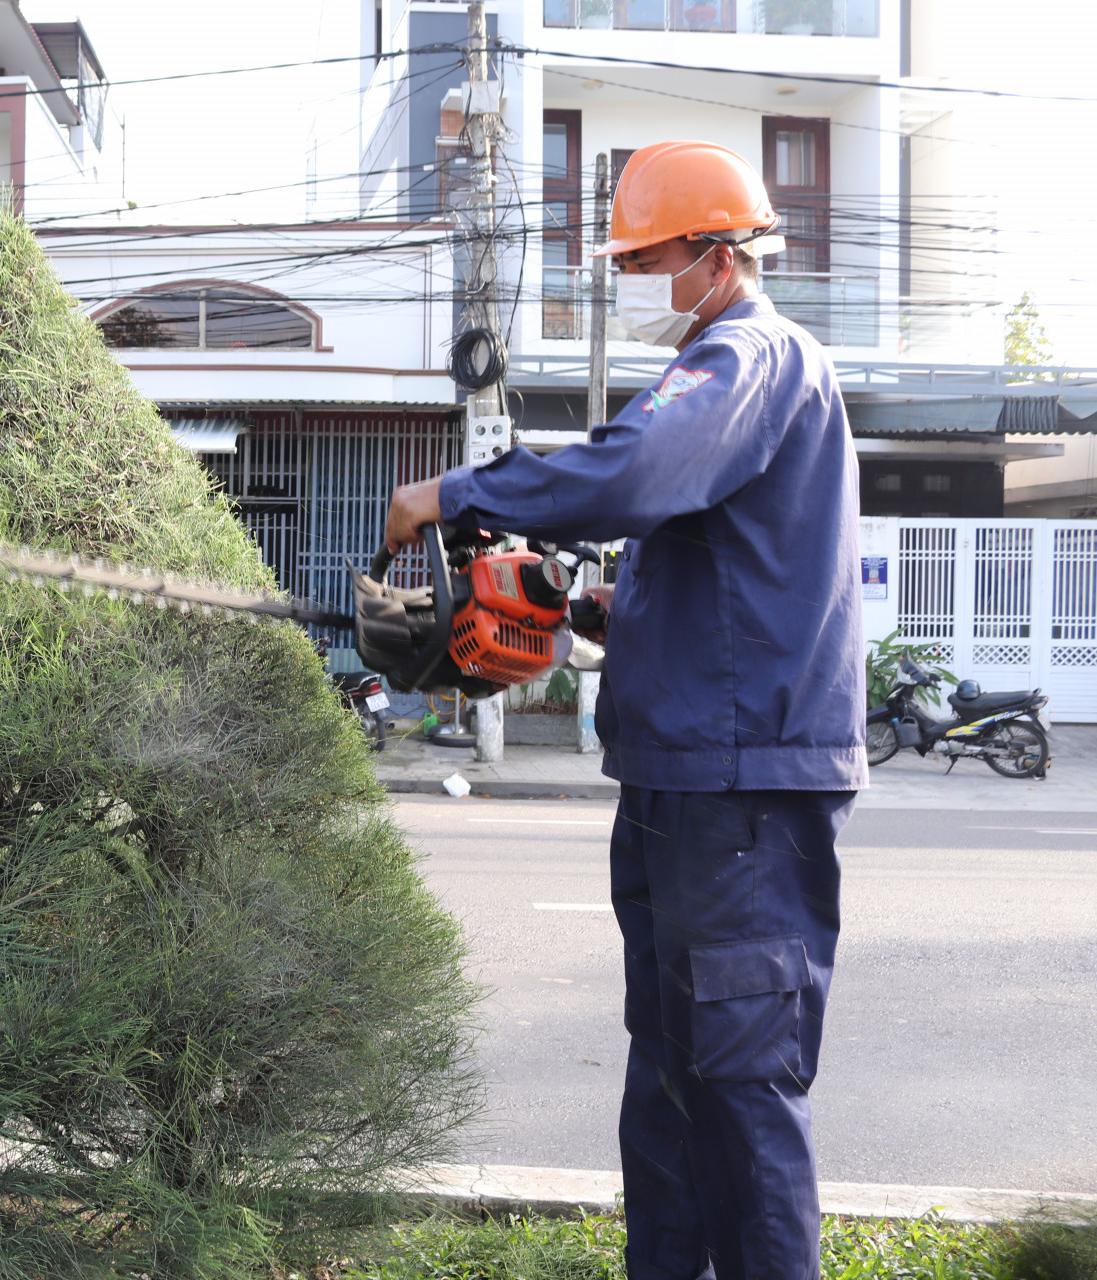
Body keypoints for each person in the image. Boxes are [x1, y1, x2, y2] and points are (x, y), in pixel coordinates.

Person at [384, 139, 866, 1280]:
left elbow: (638, 474)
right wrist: (595, 607)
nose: (651, 282)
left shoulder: (749, 358)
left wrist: (456, 491)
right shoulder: (720, 369)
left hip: (738, 791)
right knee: (668, 1082)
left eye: (658, 261)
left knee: (739, 1089)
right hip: (678, 779)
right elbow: (713, 566)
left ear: (716, 251)